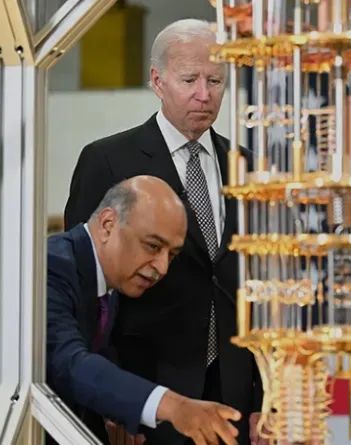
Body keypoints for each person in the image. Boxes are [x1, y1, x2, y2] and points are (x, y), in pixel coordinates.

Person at [64, 19, 262, 445]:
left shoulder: (247, 166)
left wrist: (267, 396)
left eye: (215, 81)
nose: (204, 94)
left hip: (233, 393)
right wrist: (110, 400)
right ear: (157, 81)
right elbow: (85, 290)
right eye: (190, 80)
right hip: (145, 393)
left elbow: (262, 286)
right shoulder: (108, 160)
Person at [0, 176, 242, 445]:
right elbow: (69, 363)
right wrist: (175, 406)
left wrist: (116, 414)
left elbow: (98, 358)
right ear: (108, 225)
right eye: (153, 246)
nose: (162, 268)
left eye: (171, 255)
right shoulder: (47, 269)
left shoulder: (105, 280)